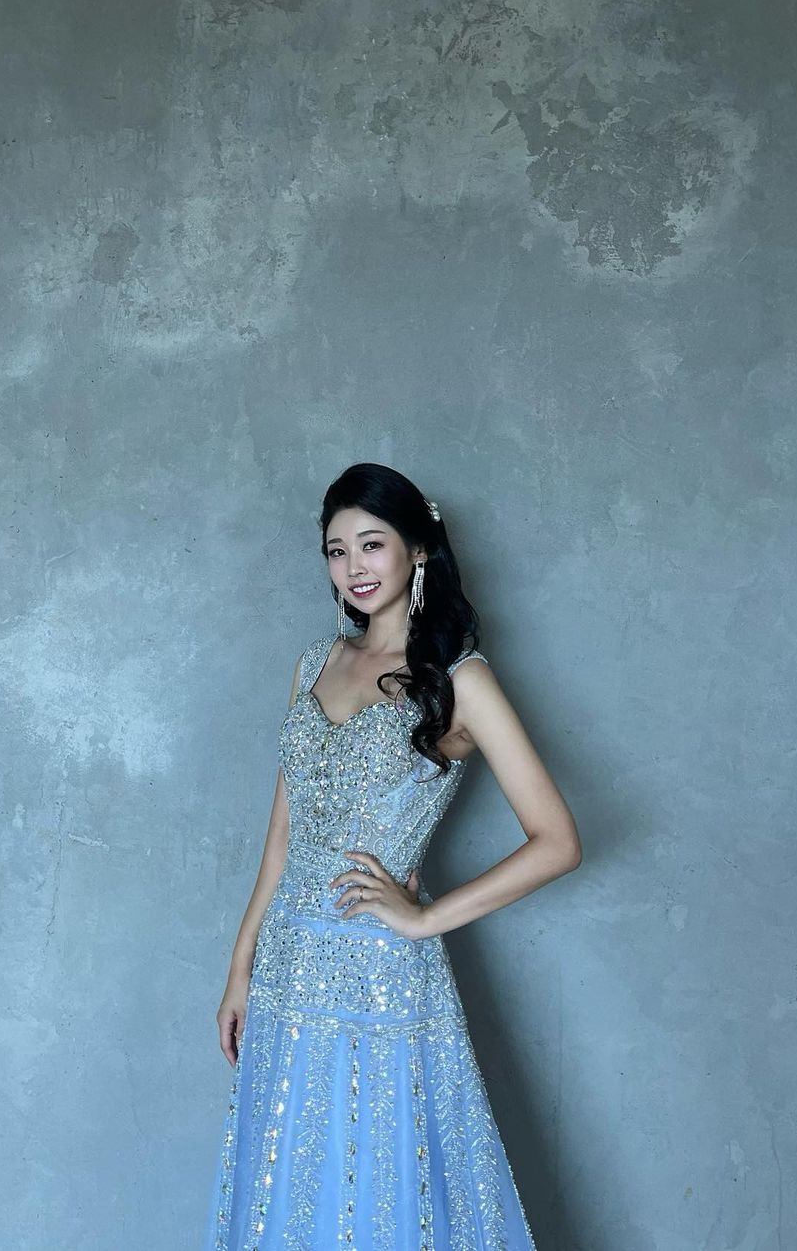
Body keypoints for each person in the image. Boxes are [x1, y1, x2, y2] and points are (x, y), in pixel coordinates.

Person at [201, 462, 582, 1249]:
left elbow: (558, 840)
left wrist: (424, 918)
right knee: (287, 1187)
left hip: (378, 972)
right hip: (286, 965)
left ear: (419, 548)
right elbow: (282, 839)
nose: (354, 567)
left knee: (374, 1188)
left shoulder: (460, 680)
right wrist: (240, 968)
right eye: (336, 550)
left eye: (371, 544)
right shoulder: (314, 663)